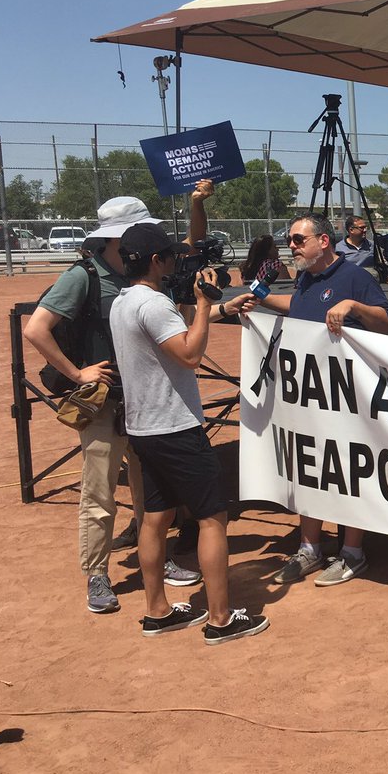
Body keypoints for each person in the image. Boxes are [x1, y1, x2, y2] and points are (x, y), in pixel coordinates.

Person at [23, 186, 212, 613]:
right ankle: (97, 573)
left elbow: (190, 247)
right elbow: (35, 329)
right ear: (114, 237)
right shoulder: (84, 276)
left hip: (142, 400)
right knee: (100, 489)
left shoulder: (140, 266)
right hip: (105, 400)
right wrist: (77, 373)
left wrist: (197, 205)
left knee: (151, 491)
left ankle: (157, 561)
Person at [109, 222, 268, 644]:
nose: (177, 261)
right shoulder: (156, 305)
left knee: (155, 519)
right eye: (170, 255)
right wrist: (202, 301)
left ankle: (158, 612)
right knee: (213, 518)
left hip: (143, 427)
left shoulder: (125, 302)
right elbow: (190, 353)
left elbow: (171, 332)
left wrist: (219, 309)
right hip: (175, 427)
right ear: (156, 260)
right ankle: (220, 619)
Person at [259, 213, 388, 587]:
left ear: (323, 241)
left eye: (298, 239)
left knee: (347, 470)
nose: (291, 246)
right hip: (309, 398)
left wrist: (353, 306)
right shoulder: (307, 278)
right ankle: (309, 549)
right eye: (290, 240)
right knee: (310, 469)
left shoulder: (354, 277)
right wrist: (258, 298)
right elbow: (300, 308)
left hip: (347, 398)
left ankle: (352, 552)